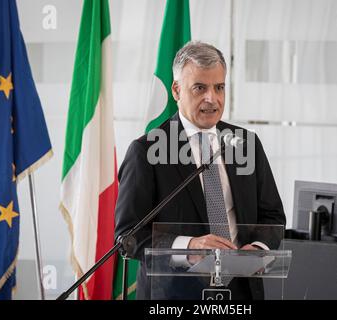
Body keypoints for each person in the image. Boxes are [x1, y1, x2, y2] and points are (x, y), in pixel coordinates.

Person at [114, 41, 286, 300]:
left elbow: (272, 216)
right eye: (200, 88)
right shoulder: (146, 151)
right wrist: (190, 245)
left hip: (240, 291)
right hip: (175, 295)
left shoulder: (246, 143)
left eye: (219, 87)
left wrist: (258, 248)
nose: (212, 99)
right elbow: (128, 236)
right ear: (176, 90)